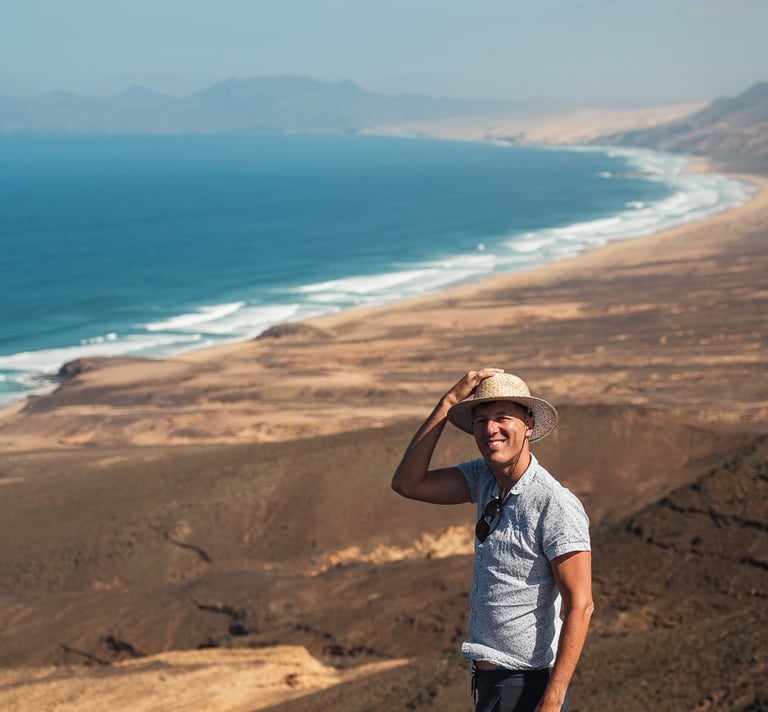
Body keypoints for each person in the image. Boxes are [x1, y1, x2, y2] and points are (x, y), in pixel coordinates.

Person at [391, 368, 593, 712]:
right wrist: (448, 402)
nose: (490, 429)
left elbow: (581, 604)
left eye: (502, 417)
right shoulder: (484, 478)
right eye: (481, 420)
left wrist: (552, 699)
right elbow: (407, 483)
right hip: (492, 683)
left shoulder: (553, 503)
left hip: (529, 685)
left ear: (528, 424)